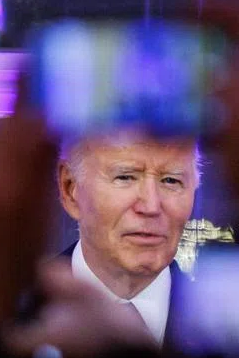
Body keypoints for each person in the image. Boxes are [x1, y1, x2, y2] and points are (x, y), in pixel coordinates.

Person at [55, 132, 201, 345]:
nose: (151, 207)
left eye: (171, 180)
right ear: (70, 189)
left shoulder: (226, 322)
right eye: (125, 177)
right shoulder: (17, 312)